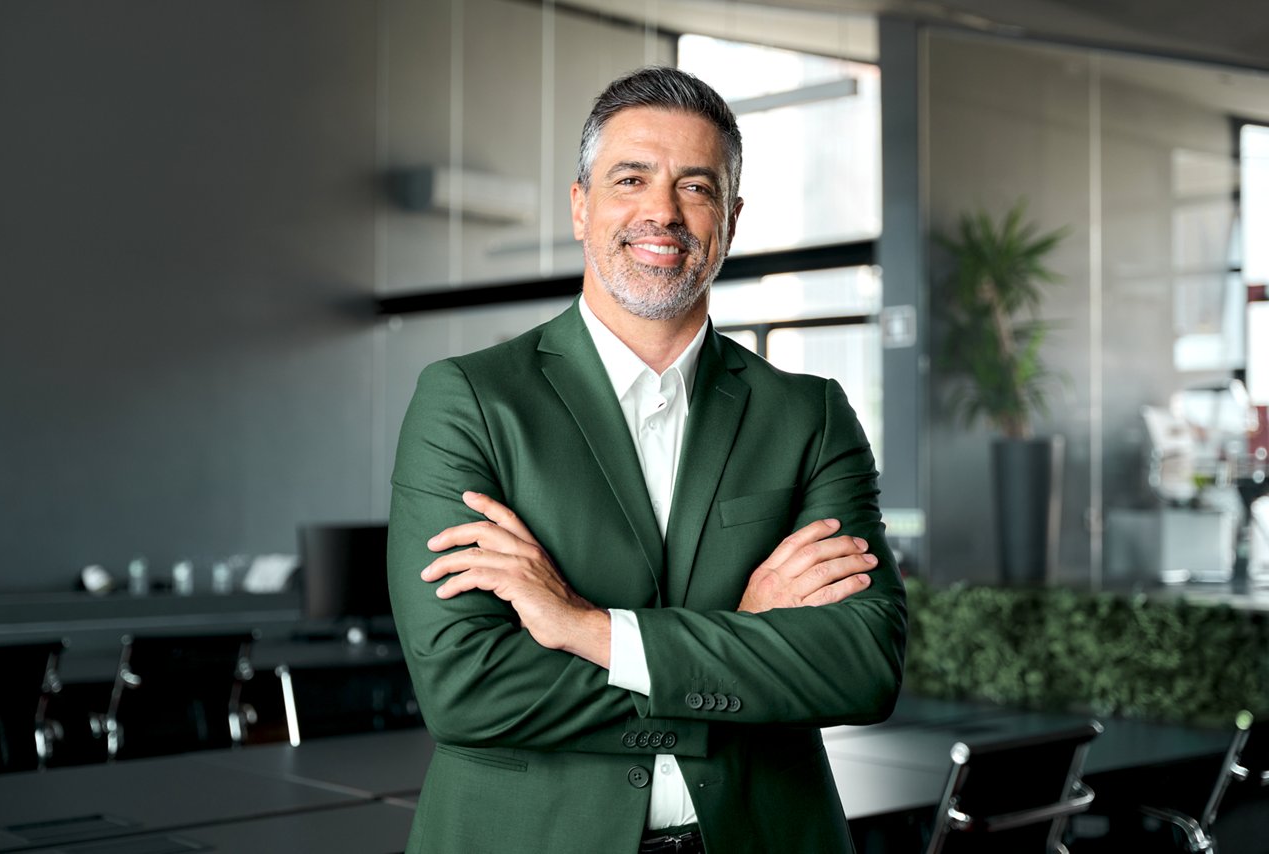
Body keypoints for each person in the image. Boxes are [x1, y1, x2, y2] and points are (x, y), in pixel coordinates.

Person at [388, 66, 906, 854]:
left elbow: (863, 666)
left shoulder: (810, 414)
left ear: (730, 221)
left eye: (696, 188)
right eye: (631, 178)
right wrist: (742, 638)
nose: (661, 212)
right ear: (581, 206)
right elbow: (469, 689)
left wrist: (587, 629)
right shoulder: (469, 402)